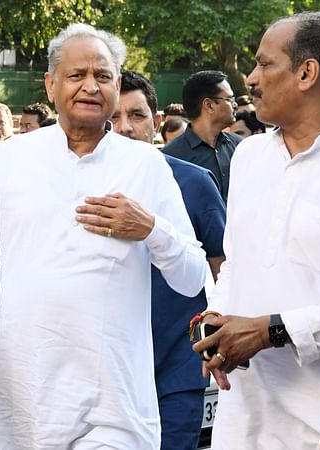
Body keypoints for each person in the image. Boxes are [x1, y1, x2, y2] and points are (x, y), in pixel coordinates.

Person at [0, 23, 207, 449]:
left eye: (102, 76)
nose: (90, 87)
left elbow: (192, 279)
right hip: (24, 404)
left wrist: (151, 228)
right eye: (77, 75)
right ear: (51, 85)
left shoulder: (146, 166)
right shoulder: (11, 159)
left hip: (114, 407)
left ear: (117, 86)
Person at [191, 12, 320, 449]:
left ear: (307, 72)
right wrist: (217, 318)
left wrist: (271, 331)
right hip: (245, 420)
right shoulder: (249, 157)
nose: (250, 78)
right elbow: (235, 262)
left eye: (265, 64)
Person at [112, 70, 226, 450]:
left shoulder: (194, 182)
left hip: (177, 371)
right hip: (107, 376)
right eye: (113, 117)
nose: (124, 128)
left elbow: (223, 268)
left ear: (157, 122)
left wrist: (222, 341)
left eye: (137, 116)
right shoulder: (79, 190)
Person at [162, 70, 242, 201]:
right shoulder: (171, 158)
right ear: (209, 105)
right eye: (230, 99)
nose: (235, 105)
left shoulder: (240, 146)